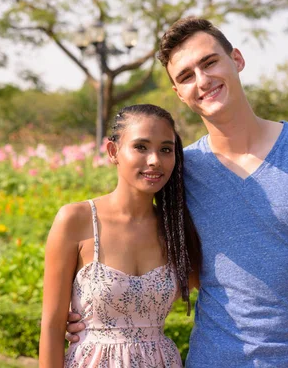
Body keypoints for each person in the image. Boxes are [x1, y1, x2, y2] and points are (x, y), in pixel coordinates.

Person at [67, 17, 288, 367]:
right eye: (185, 76)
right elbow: (134, 232)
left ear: (237, 60)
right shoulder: (179, 171)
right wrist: (88, 314)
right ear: (179, 94)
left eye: (210, 62)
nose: (202, 80)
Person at [39, 104, 203, 367]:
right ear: (113, 151)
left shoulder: (176, 230)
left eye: (166, 149)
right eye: (141, 147)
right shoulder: (76, 220)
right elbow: (51, 326)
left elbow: (218, 290)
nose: (155, 160)